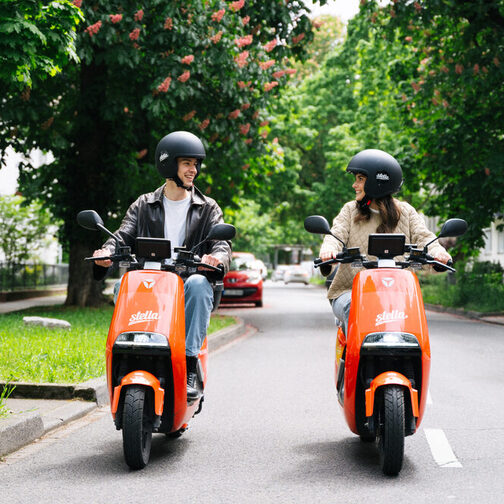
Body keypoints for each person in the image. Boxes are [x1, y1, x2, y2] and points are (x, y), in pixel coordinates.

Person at [92, 131, 232, 401]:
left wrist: (216, 258)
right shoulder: (144, 204)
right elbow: (122, 236)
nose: (194, 170)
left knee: (199, 284)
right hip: (150, 281)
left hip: (187, 284)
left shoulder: (208, 208)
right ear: (169, 165)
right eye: (187, 164)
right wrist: (106, 251)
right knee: (123, 283)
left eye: (195, 165)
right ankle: (125, 356)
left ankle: (190, 365)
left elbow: (222, 245)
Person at [319, 148, 451, 335]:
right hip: (350, 292)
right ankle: (356, 362)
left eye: (360, 179)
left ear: (376, 182)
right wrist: (328, 252)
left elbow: (425, 238)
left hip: (398, 294)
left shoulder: (406, 212)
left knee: (414, 324)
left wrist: (438, 253)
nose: (354, 185)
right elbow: (334, 236)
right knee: (355, 309)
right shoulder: (350, 210)